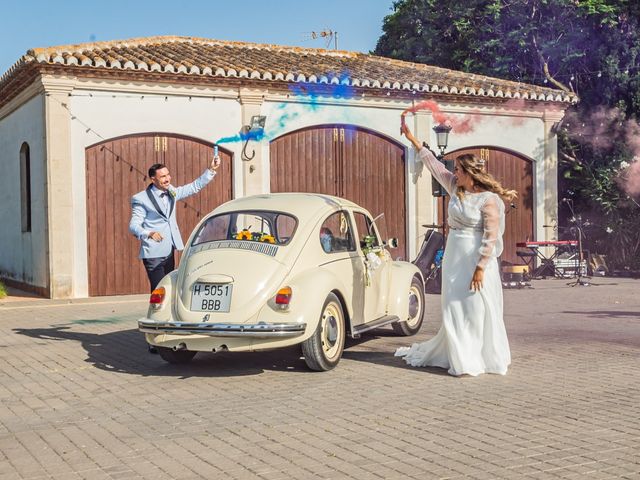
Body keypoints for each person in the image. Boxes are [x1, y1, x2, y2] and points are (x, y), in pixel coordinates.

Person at [395, 116, 516, 376]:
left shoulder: (489, 200)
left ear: (470, 174)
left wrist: (481, 267)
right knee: (453, 306)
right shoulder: (454, 188)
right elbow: (433, 164)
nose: (455, 173)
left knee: (474, 307)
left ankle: (476, 356)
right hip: (454, 257)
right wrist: (412, 138)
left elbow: (491, 237)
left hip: (475, 259)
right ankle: (458, 356)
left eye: (460, 170)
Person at [129, 153, 221, 292]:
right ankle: (156, 314)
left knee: (169, 289)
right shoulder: (141, 199)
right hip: (153, 252)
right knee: (159, 290)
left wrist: (211, 170)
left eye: (168, 175)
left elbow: (194, 187)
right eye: (163, 177)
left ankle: (167, 314)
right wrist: (148, 233)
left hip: (169, 249)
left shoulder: (171, 191)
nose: (167, 179)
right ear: (153, 179)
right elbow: (134, 225)